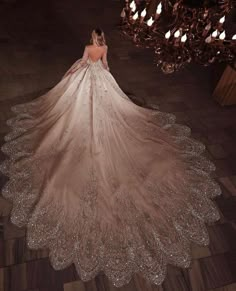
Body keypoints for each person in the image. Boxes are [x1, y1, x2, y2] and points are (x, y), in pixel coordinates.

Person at [0, 28, 221, 287]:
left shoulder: (88, 48)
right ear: (101, 41)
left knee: (78, 108)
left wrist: (75, 73)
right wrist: (105, 80)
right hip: (101, 83)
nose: (95, 43)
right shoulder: (104, 50)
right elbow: (105, 67)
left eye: (95, 40)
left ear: (93, 40)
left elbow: (84, 63)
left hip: (87, 81)